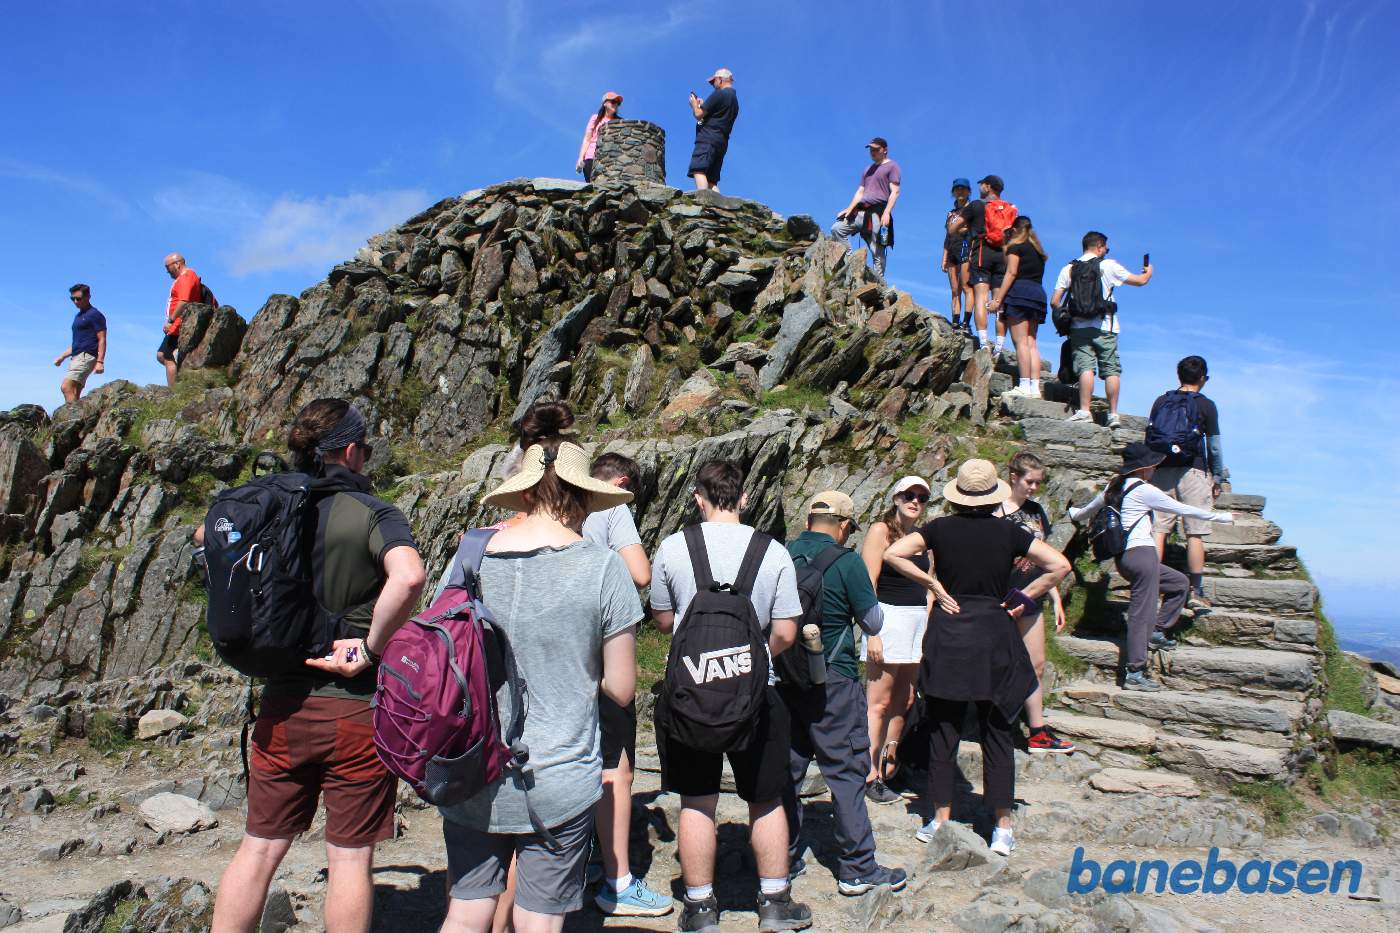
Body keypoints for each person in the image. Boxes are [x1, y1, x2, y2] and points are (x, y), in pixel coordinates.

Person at [211, 399, 427, 933]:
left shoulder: (271, 504)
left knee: (258, 849)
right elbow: (409, 577)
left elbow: (207, 542)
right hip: (353, 711)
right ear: (351, 451)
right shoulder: (372, 512)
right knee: (351, 858)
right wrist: (372, 649)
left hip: (281, 706)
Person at [438, 404, 643, 933]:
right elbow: (621, 688)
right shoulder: (603, 568)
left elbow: (440, 647)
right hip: (559, 773)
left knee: (466, 910)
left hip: (471, 766)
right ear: (584, 499)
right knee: (540, 920)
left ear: (525, 492)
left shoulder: (472, 553)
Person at [650, 460, 811, 933]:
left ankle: (700, 907)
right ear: (743, 498)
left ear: (698, 498)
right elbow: (785, 631)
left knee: (697, 800)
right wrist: (755, 655)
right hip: (757, 695)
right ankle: (775, 903)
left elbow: (663, 621)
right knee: (766, 800)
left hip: (689, 696)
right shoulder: (774, 551)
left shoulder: (674, 547)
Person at [884, 459, 1070, 856]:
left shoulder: (938, 528)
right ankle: (1002, 826)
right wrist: (1023, 597)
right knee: (998, 730)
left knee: (944, 728)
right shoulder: (1011, 531)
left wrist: (932, 582)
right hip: (994, 631)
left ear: (958, 494)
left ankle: (940, 818)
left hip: (950, 631)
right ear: (992, 494)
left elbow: (894, 554)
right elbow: (1060, 565)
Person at [780, 491, 906, 896]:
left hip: (784, 676)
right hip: (833, 676)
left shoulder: (781, 553)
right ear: (845, 525)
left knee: (789, 769)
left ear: (809, 520)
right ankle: (857, 868)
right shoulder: (848, 562)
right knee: (847, 772)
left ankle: (780, 859)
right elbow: (872, 621)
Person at [579, 451, 672, 918]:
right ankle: (616, 881)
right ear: (620, 482)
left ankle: (572, 865)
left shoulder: (539, 509)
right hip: (599, 650)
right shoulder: (611, 509)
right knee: (615, 765)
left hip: (548, 658)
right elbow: (641, 573)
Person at [1069, 443, 1234, 692]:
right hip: (1144, 557)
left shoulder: (1113, 487)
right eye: (1153, 465)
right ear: (1144, 468)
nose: (1155, 468)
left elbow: (1085, 512)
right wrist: (1224, 517)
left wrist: (1072, 513)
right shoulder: (1145, 490)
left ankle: (1157, 631)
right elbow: (1185, 509)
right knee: (1140, 614)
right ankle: (1135, 671)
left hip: (1124, 560)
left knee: (1179, 584)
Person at [993, 453, 1075, 753]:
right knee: (995, 662)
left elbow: (1045, 557)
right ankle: (990, 722)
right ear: (1013, 476)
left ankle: (1037, 730)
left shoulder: (1037, 511)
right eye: (1030, 481)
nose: (1034, 488)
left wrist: (1054, 596)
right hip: (999, 594)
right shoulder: (994, 509)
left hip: (1031, 593)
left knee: (1036, 663)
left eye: (1038, 482)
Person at [859, 476, 932, 804]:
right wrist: (872, 631)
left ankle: (889, 764)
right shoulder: (880, 531)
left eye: (921, 497)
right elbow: (868, 582)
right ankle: (868, 771)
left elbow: (931, 583)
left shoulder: (922, 538)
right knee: (880, 701)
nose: (915, 501)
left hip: (916, 623)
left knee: (904, 700)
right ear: (896, 496)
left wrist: (929, 627)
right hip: (887, 619)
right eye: (909, 495)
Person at [1149, 356, 1229, 611]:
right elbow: (1213, 446)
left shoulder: (1161, 401)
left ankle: (1150, 588)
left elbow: (1150, 438)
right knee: (1195, 532)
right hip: (1194, 471)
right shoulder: (1206, 405)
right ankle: (1195, 590)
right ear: (1203, 378)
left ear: (1179, 375)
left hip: (1162, 471)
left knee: (1158, 531)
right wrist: (1217, 476)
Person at [1050, 232, 1153, 427]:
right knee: (1111, 369)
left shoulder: (1069, 269)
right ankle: (1113, 414)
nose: (1106, 251)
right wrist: (1148, 271)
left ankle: (1085, 411)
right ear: (1099, 247)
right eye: (1105, 248)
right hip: (1106, 325)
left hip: (1079, 326)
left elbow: (1055, 301)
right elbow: (1140, 281)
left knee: (1086, 368)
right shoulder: (1109, 266)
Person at [989, 217, 1049, 398]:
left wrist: (997, 299)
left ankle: (1024, 384)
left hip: (1020, 293)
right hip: (1037, 295)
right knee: (1031, 342)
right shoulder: (1039, 252)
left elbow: (1011, 271)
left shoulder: (1016, 247)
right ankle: (1035, 387)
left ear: (1014, 230)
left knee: (1020, 341)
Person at [831, 138, 902, 277]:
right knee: (837, 229)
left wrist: (887, 212)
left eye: (876, 149)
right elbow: (860, 191)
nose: (873, 152)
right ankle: (851, 264)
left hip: (879, 212)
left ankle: (878, 283)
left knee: (877, 250)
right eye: (871, 149)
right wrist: (849, 209)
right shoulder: (867, 169)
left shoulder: (892, 166)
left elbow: (895, 191)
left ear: (885, 150)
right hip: (861, 210)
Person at [961, 175, 1015, 352]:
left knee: (981, 297)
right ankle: (999, 346)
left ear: (988, 187)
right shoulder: (1009, 208)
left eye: (982, 184)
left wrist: (966, 228)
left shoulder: (977, 205)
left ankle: (984, 343)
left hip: (983, 251)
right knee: (998, 300)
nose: (980, 188)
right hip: (1004, 255)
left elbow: (953, 228)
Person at [687, 68, 739, 192]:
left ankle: (704, 204)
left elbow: (698, 114)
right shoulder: (734, 101)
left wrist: (694, 105)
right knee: (711, 180)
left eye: (713, 81)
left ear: (720, 80)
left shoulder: (720, 94)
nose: (713, 84)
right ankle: (719, 209)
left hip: (707, 139)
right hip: (721, 142)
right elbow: (717, 115)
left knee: (698, 169)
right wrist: (706, 104)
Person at [53, 283, 106, 404]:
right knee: (75, 392)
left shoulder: (94, 314)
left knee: (66, 387)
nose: (75, 302)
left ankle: (71, 417)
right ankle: (78, 419)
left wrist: (100, 362)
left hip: (86, 356)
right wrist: (62, 357)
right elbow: (77, 342)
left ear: (88, 297)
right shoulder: (79, 316)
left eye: (78, 298)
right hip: (77, 356)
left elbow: (102, 339)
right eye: (72, 299)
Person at [159, 252, 202, 387]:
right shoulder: (189, 276)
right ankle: (182, 376)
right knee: (161, 355)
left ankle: (174, 392)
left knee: (167, 356)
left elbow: (183, 301)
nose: (167, 272)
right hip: (179, 324)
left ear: (177, 264)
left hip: (178, 325)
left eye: (168, 267)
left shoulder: (186, 277)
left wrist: (171, 321)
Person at [942, 179, 974, 331]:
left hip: (967, 248)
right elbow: (947, 236)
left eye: (963, 189)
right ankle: (955, 321)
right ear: (953, 192)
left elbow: (975, 229)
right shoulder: (950, 213)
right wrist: (944, 258)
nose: (960, 191)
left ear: (968, 191)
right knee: (955, 290)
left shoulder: (973, 209)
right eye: (957, 189)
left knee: (967, 287)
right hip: (952, 251)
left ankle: (966, 322)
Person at [575, 91, 623, 182]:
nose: (616, 105)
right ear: (605, 103)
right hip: (591, 158)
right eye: (613, 102)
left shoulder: (621, 122)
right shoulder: (595, 118)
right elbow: (587, 139)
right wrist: (580, 158)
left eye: (618, 103)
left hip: (611, 160)